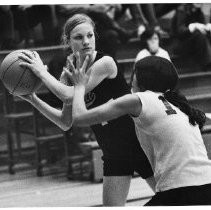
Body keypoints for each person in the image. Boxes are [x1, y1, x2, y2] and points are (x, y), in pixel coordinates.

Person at [18, 13, 154, 206]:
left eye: (90, 35)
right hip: (113, 151)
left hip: (141, 143)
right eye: (79, 37)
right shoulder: (70, 68)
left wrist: (41, 72)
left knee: (173, 200)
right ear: (67, 41)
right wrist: (33, 98)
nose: (86, 41)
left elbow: (69, 94)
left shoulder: (105, 63)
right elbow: (66, 122)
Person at [68, 55, 211, 206]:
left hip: (181, 191)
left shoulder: (138, 99)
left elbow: (79, 117)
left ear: (141, 78)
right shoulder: (178, 105)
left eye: (134, 72)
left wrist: (79, 85)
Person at [171, 3, 211, 71]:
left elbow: (203, 29)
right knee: (199, 34)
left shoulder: (199, 12)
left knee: (205, 34)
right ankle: (208, 63)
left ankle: (207, 61)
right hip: (180, 44)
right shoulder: (182, 10)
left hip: (194, 43)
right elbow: (180, 31)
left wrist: (207, 27)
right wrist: (194, 26)